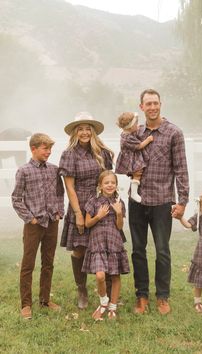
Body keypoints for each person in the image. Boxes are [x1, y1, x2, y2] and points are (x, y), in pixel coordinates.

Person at [129, 89, 189, 315]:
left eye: (155, 103)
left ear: (160, 104)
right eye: (148, 103)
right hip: (137, 200)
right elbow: (126, 160)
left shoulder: (174, 133)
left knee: (162, 250)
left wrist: (182, 201)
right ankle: (141, 295)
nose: (152, 107)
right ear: (141, 107)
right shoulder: (136, 132)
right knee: (138, 250)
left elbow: (181, 169)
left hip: (162, 200)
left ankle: (162, 296)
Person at [59, 112, 114, 309]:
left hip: (101, 204)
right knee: (80, 249)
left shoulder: (102, 152)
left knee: (105, 246)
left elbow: (109, 179)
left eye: (87, 128)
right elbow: (70, 187)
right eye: (80, 128)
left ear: (93, 131)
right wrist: (78, 214)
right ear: (75, 132)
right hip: (80, 203)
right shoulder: (69, 154)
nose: (84, 132)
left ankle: (107, 290)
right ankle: (81, 289)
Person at [12, 133, 64, 319]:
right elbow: (16, 198)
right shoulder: (24, 171)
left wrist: (59, 212)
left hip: (52, 222)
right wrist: (30, 218)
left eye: (50, 149)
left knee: (48, 263)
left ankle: (44, 299)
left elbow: (60, 193)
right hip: (34, 225)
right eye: (45, 148)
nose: (48, 152)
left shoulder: (54, 169)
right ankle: (26, 304)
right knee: (28, 264)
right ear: (33, 149)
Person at [82, 170, 130, 320]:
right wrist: (99, 216)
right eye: (106, 183)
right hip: (98, 243)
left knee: (115, 275)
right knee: (100, 275)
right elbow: (87, 223)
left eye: (113, 183)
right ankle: (103, 301)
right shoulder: (93, 201)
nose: (110, 185)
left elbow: (120, 226)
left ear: (116, 185)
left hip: (114, 241)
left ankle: (112, 307)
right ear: (100, 185)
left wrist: (118, 213)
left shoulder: (119, 203)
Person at [115, 112, 153, 203]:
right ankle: (134, 193)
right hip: (131, 159)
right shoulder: (127, 137)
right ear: (130, 127)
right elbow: (139, 146)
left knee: (137, 173)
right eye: (136, 124)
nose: (137, 125)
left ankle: (133, 191)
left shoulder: (128, 132)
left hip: (133, 156)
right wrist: (148, 140)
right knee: (137, 173)